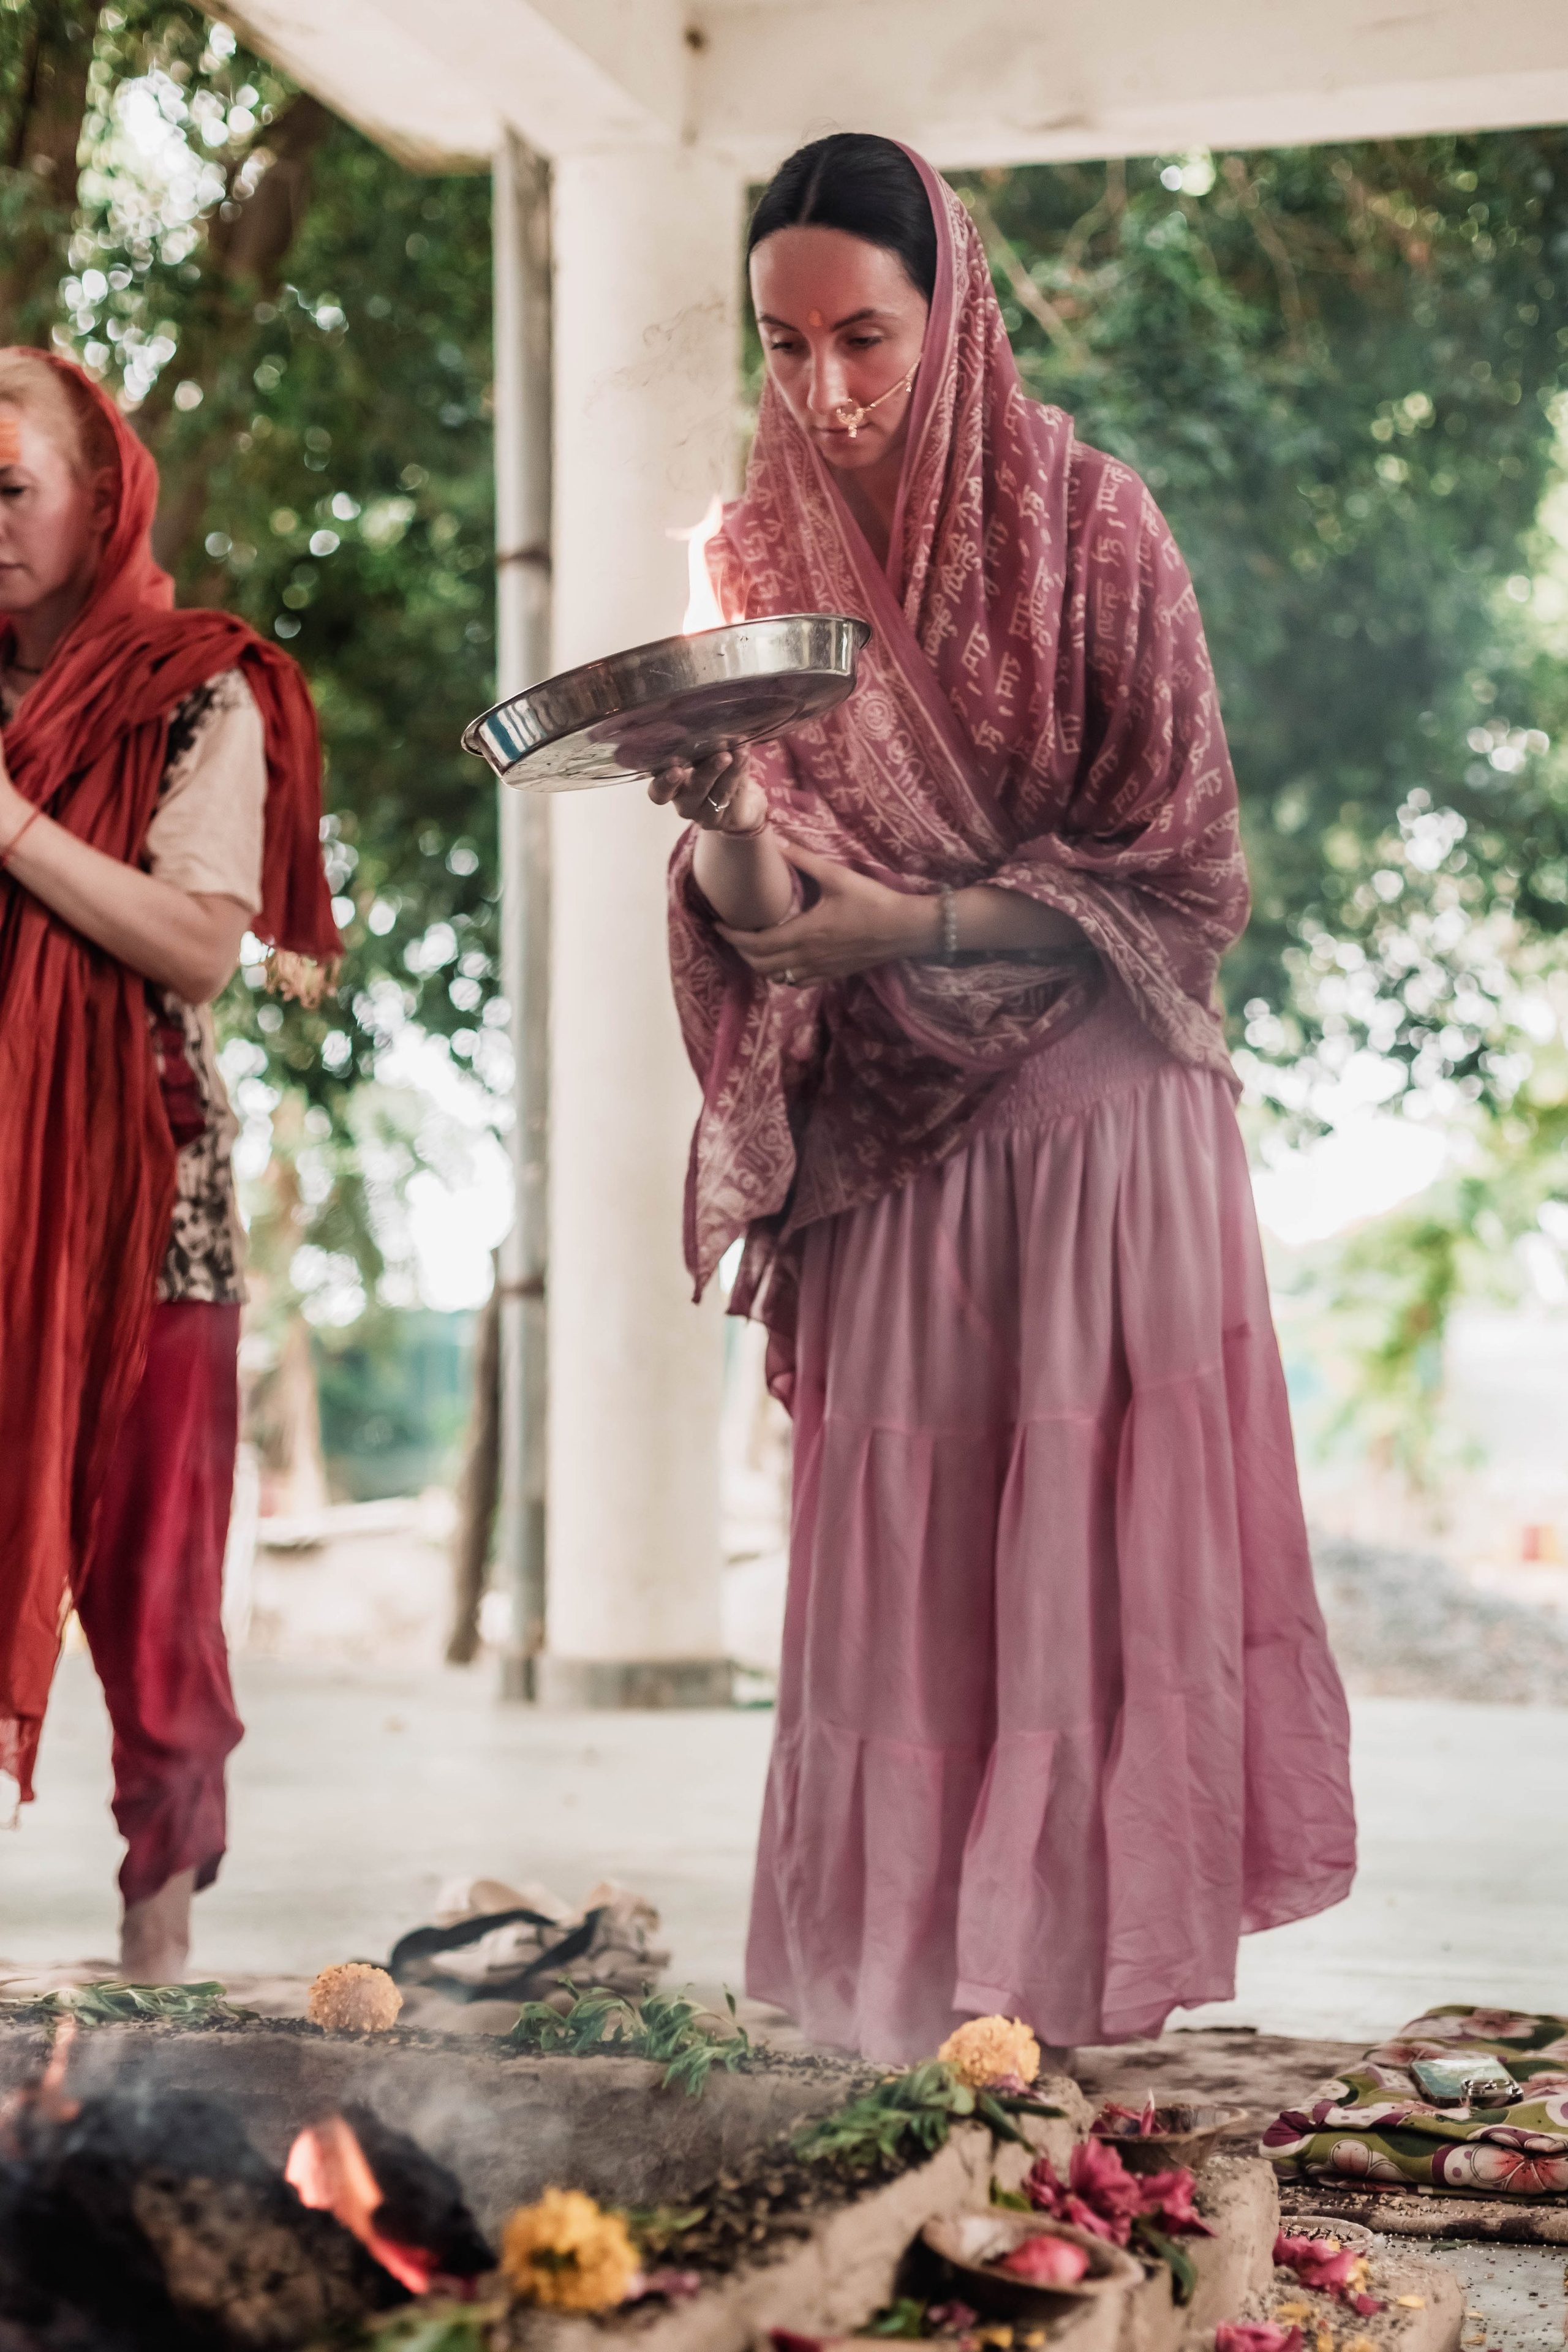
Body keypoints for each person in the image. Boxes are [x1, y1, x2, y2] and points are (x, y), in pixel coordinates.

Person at [654, 135, 1355, 2063]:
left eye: (863, 336)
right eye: (785, 345)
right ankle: (903, 2045)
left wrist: (929, 918)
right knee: (903, 1603)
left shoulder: (1087, 520)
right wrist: (718, 816)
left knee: (1079, 1602)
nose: (827, 390)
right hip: (892, 1149)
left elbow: (1186, 873)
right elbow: (771, 918)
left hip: (1098, 1138)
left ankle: (1075, 2044)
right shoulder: (758, 568)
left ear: (949, 309)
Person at [0, 350, 336, 1982]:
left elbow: (201, 947)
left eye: (7, 489)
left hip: (144, 1202)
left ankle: (157, 1951)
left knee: (152, 1585)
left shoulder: (204, 691)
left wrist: (10, 833)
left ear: (97, 497)